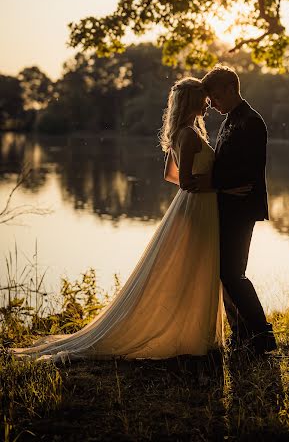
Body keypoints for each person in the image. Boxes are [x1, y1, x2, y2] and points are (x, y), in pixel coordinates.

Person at [10, 77, 233, 363]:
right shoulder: (189, 135)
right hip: (198, 205)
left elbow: (170, 175)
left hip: (193, 205)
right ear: (191, 101)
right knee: (196, 266)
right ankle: (193, 338)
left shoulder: (182, 132)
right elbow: (186, 181)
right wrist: (219, 182)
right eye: (203, 98)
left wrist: (200, 184)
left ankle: (193, 335)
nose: (207, 102)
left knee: (194, 268)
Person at [190, 65, 277, 355]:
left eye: (214, 96)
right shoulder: (230, 120)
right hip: (226, 203)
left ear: (230, 88)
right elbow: (225, 165)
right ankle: (241, 336)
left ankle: (262, 335)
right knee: (224, 272)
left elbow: (247, 171)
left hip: (242, 206)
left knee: (233, 272)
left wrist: (210, 182)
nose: (211, 104)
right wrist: (218, 187)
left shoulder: (251, 121)